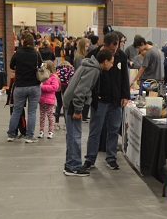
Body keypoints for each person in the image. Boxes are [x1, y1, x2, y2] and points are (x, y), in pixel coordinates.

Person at [62, 48, 114, 176]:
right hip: (73, 104)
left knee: (72, 134)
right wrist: (78, 109)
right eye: (111, 62)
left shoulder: (89, 66)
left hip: (70, 101)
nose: (112, 65)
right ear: (105, 61)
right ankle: (73, 166)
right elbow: (81, 90)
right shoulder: (93, 70)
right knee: (75, 135)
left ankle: (70, 164)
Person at [83, 32, 129, 171]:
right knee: (95, 130)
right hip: (99, 101)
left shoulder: (121, 56)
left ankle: (111, 158)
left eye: (116, 48)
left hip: (116, 101)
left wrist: (125, 95)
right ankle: (90, 159)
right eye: (112, 49)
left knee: (113, 130)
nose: (115, 52)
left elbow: (124, 76)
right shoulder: (92, 55)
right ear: (105, 45)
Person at [6, 33, 42, 143]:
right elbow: (40, 65)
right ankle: (29, 137)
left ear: (23, 41)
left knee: (16, 111)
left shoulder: (18, 53)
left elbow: (11, 66)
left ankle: (11, 135)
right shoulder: (36, 54)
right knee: (32, 112)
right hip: (34, 86)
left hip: (20, 85)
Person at [38, 60, 60, 139]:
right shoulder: (42, 75)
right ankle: (41, 131)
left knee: (50, 116)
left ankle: (50, 132)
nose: (43, 67)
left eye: (45, 66)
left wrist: (41, 87)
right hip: (41, 99)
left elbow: (54, 87)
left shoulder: (53, 77)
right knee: (42, 116)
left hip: (49, 100)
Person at [54, 59, 74, 130]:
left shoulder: (57, 69)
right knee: (66, 105)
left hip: (58, 86)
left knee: (59, 104)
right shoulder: (71, 70)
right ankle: (66, 123)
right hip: (67, 87)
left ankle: (56, 122)